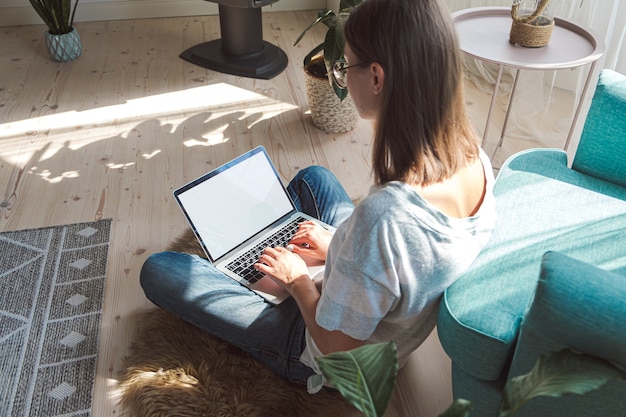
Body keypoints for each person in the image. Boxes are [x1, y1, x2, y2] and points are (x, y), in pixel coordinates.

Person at [140, 0, 496, 391]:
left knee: (160, 271)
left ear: (376, 77)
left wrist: (297, 281)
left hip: (328, 353)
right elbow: (409, 259)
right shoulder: (472, 154)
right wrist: (336, 248)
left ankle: (254, 273)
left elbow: (336, 347)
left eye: (345, 67)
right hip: (380, 313)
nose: (342, 77)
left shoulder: (384, 216)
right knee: (315, 177)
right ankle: (271, 252)